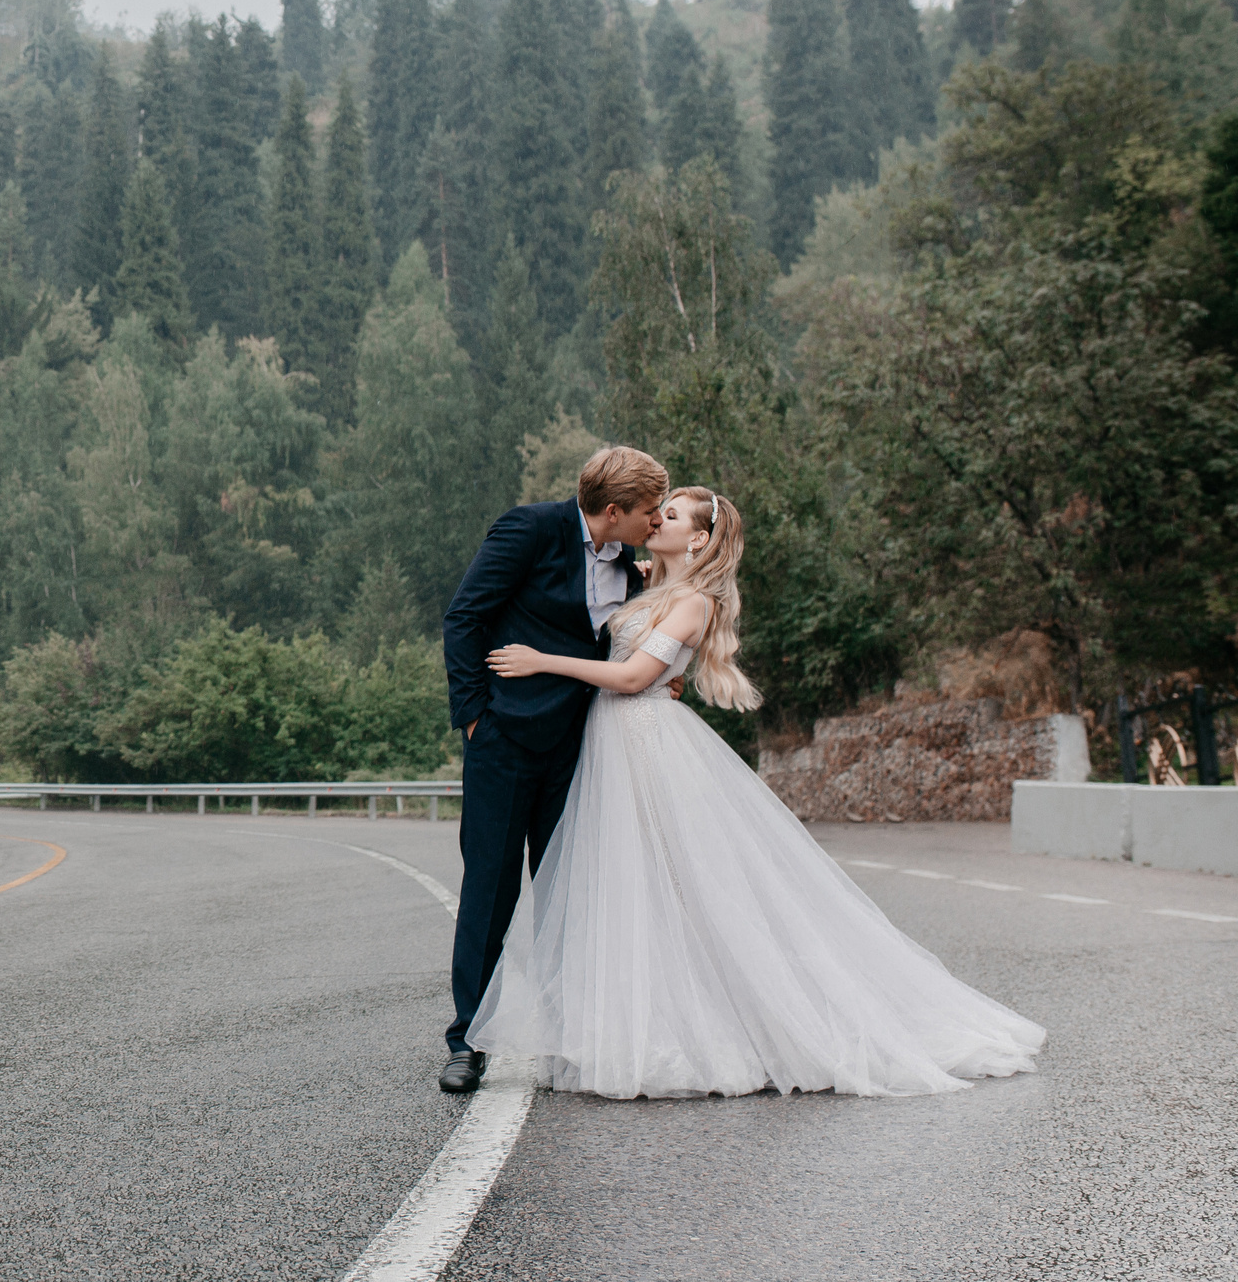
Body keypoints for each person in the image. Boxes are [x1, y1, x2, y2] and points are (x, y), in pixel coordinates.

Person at [467, 487, 1044, 1097]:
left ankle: (711, 1025)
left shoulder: (694, 602)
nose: (654, 519)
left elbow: (636, 677)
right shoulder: (650, 585)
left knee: (680, 884)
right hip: (610, 743)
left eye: (668, 515)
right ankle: (630, 1021)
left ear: (697, 538)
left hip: (645, 743)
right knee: (631, 887)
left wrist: (544, 661)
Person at [435, 445, 667, 1094]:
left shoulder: (630, 566)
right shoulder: (530, 529)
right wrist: (477, 716)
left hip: (580, 747)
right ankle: (467, 1041)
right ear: (613, 510)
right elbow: (465, 616)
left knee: (571, 890)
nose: (654, 521)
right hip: (504, 740)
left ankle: (568, 1035)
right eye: (648, 510)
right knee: (491, 889)